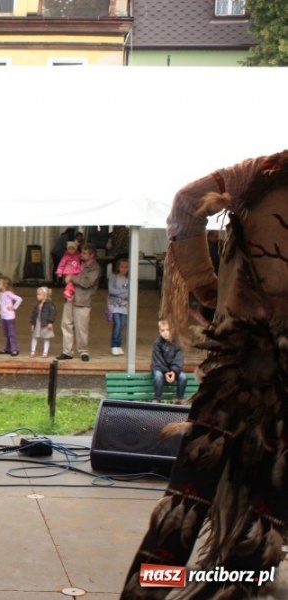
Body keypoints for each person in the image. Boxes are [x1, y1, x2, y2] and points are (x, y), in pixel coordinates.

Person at [123, 151, 288, 598]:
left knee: (187, 506)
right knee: (261, 519)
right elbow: (186, 205)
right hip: (246, 370)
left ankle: (152, 591)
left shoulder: (262, 173)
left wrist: (205, 287)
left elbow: (185, 207)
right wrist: (203, 284)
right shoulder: (262, 173)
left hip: (236, 367)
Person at [56, 243, 100, 362]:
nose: (82, 254)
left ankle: (83, 351)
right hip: (70, 298)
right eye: (82, 252)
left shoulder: (95, 267)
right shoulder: (77, 262)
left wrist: (72, 278)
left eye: (85, 253)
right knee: (66, 324)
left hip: (83, 300)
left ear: (92, 255)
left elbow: (87, 282)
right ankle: (67, 351)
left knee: (82, 328)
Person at [150, 319, 186, 403]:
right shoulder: (157, 343)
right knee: (158, 376)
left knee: (183, 377)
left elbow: (179, 359)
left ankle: (179, 399)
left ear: (172, 330)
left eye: (167, 330)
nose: (165, 332)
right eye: (163, 330)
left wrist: (173, 372)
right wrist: (165, 372)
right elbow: (158, 360)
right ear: (159, 331)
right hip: (160, 369)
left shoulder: (177, 342)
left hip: (174, 370)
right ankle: (157, 399)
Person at [106, 258, 129, 356]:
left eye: (126, 267)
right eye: (122, 267)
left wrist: (119, 291)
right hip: (113, 305)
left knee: (122, 325)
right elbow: (111, 290)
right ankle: (114, 345)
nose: (124, 269)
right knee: (117, 324)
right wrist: (123, 291)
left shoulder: (129, 278)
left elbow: (129, 293)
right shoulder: (113, 276)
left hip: (124, 306)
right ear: (118, 267)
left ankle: (119, 345)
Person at [0, 276, 22, 356]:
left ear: (5, 285)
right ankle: (7, 348)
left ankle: (15, 349)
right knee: (6, 333)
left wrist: (13, 307)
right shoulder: (0, 294)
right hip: (4, 316)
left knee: (11, 333)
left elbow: (19, 299)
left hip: (10, 317)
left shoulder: (8, 293)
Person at [29, 286, 56, 359]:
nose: (37, 296)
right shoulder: (37, 304)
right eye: (37, 294)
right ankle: (33, 351)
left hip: (45, 323)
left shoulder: (50, 304)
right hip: (38, 322)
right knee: (34, 336)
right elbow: (34, 314)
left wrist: (50, 322)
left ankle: (45, 352)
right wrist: (33, 323)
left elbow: (52, 313)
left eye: (39, 294)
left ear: (45, 295)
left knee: (46, 338)